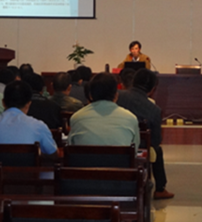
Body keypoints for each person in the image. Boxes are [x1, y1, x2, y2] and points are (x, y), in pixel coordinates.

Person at [117, 68, 173, 200]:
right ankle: (160, 189)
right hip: (139, 150)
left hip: (114, 144)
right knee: (157, 150)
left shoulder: (117, 96)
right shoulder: (154, 110)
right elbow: (156, 140)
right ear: (153, 89)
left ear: (133, 81)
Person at [0, 81, 58, 157]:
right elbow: (53, 154)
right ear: (28, 104)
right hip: (27, 168)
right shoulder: (38, 126)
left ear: (3, 102)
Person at [68, 72, 140, 149]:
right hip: (118, 157)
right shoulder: (131, 118)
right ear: (116, 96)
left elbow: (70, 146)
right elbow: (135, 149)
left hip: (84, 157)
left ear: (90, 96)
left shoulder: (76, 117)